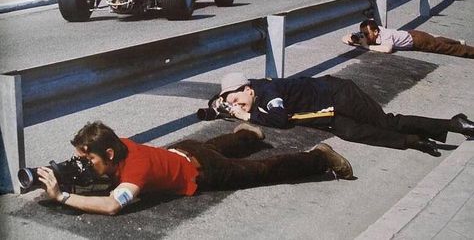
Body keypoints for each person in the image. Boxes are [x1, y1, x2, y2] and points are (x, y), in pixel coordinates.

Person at [37, 120, 353, 215]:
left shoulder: (136, 169)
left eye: (89, 159)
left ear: (108, 152)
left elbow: (110, 205)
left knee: (261, 171)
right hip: (185, 150)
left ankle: (319, 157)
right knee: (217, 145)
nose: (87, 164)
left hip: (204, 170)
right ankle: (248, 134)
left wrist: (61, 196)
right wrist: (67, 170)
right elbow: (97, 162)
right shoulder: (115, 143)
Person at [216, 71, 474, 156]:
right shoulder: (254, 97)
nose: (237, 105)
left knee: (386, 122)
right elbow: (223, 105)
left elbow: (280, 121)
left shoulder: (268, 92)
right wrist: (221, 108)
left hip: (339, 94)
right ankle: (415, 141)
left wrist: (246, 117)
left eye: (237, 99)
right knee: (353, 133)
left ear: (248, 89)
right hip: (327, 113)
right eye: (232, 103)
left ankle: (454, 124)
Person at [343, 19, 474, 58]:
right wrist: (354, 38)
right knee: (438, 40)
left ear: (376, 31)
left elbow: (388, 49)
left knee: (445, 48)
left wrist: (367, 46)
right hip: (411, 33)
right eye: (363, 34)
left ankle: (469, 50)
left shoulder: (386, 35)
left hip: (418, 41)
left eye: (366, 34)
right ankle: (458, 42)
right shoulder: (374, 30)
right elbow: (344, 38)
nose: (364, 36)